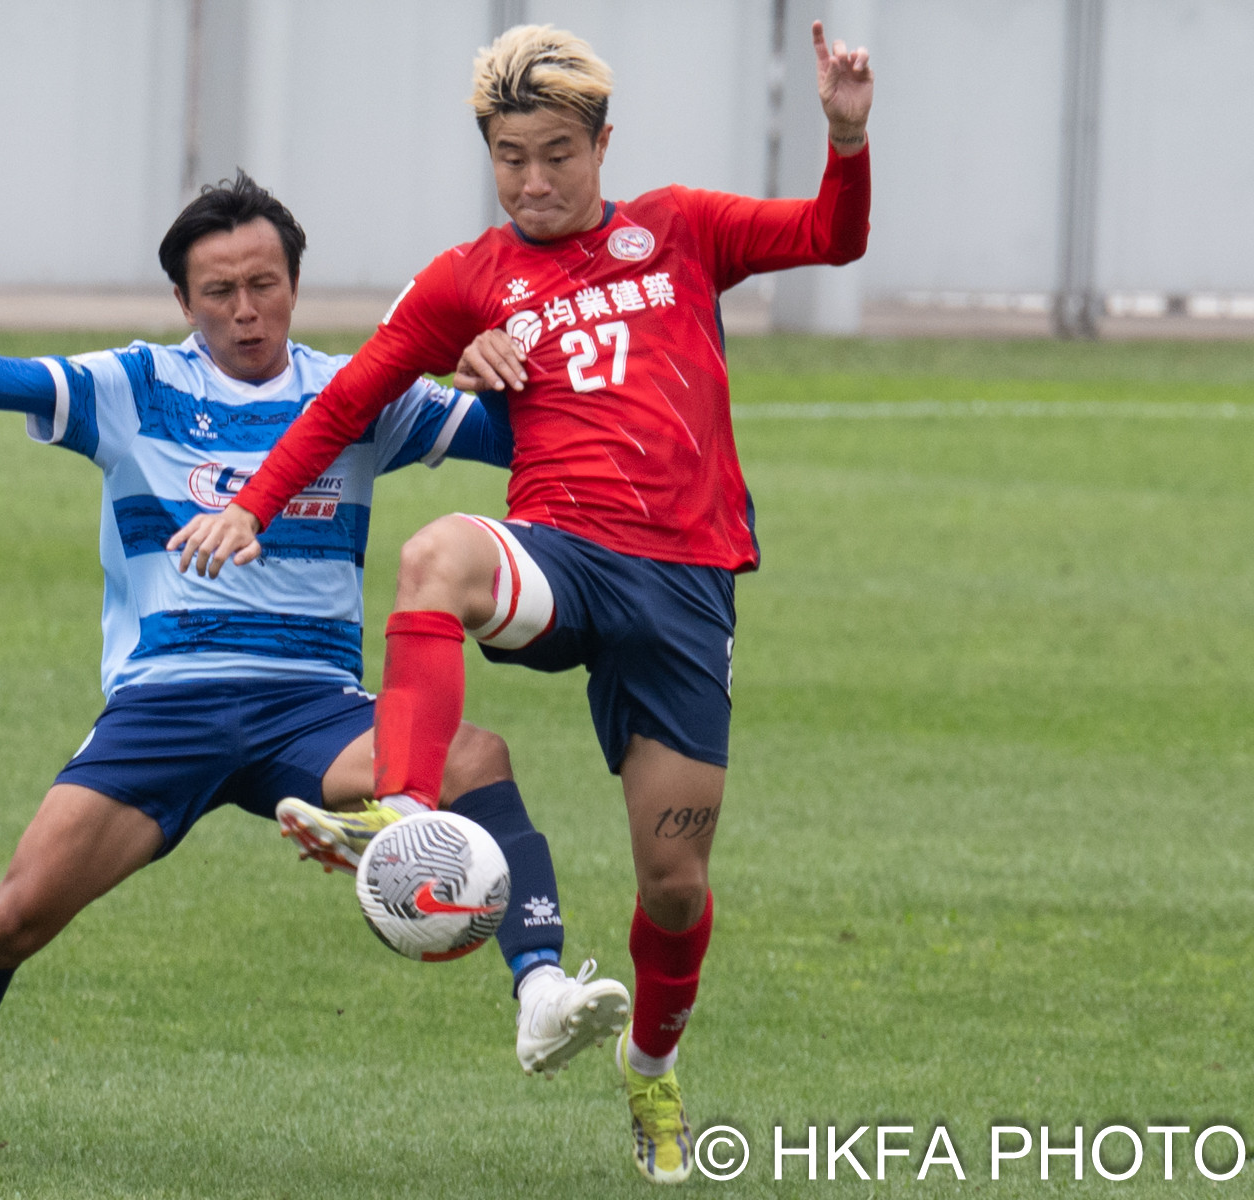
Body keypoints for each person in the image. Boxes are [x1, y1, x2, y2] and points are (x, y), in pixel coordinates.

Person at [0, 172, 629, 1160]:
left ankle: (540, 990)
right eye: (219, 291)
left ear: (294, 285)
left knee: (476, 756)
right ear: (184, 300)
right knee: (10, 919)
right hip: (166, 707)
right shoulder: (132, 386)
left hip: (312, 710)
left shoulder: (359, 393)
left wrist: (499, 361)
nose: (245, 310)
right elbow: (1, 378)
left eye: (264, 285)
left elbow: (531, 435)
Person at [169, 24, 873, 1186]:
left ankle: (652, 1066)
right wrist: (254, 504)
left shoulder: (683, 229)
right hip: (559, 556)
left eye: (556, 155)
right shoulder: (468, 280)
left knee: (675, 886)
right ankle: (401, 809)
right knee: (439, 553)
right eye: (509, 157)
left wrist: (844, 136)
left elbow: (831, 238)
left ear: (603, 145)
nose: (533, 181)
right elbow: (348, 401)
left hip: (683, 590)